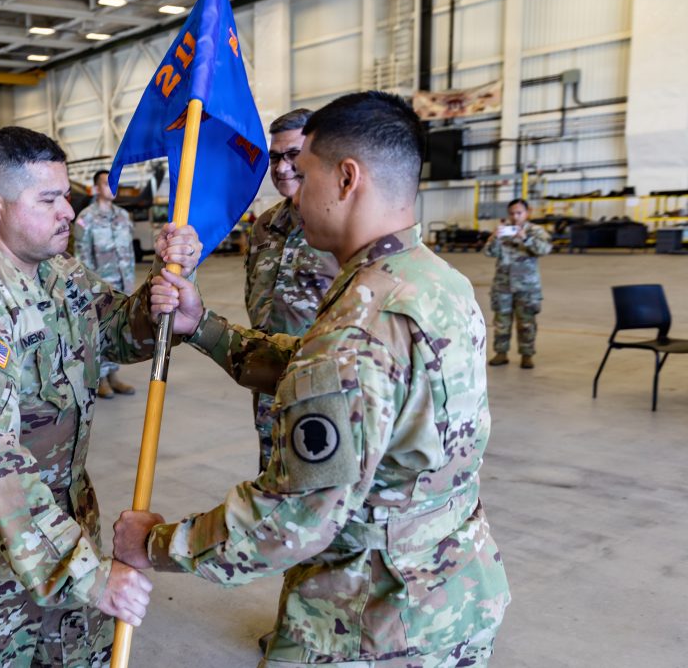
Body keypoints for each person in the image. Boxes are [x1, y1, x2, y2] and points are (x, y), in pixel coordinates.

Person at [114, 92, 510, 667]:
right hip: (451, 589)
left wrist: (153, 543)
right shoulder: (430, 282)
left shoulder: (362, 324)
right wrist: (204, 328)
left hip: (368, 620)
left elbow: (289, 522)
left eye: (305, 172)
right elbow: (318, 365)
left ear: (346, 178)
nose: (292, 187)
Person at [0, 126, 201, 666]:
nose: (69, 212)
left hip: (60, 530)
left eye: (66, 196)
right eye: (49, 199)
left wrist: (167, 288)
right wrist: (87, 572)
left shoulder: (58, 273)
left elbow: (113, 329)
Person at [245, 108, 340, 470]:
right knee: (270, 475)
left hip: (323, 383)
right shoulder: (265, 225)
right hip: (268, 379)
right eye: (274, 157)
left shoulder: (339, 224)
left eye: (293, 156)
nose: (282, 167)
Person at [72, 169, 137, 398]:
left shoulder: (123, 216)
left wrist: (130, 284)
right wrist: (88, 289)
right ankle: (98, 378)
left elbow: (129, 253)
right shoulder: (85, 219)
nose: (113, 188)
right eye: (107, 184)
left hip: (122, 285)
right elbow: (81, 257)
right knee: (97, 333)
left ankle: (113, 376)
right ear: (97, 188)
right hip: (99, 288)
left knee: (117, 331)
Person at [484, 198, 552, 369]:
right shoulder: (504, 231)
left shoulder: (536, 231)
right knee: (501, 322)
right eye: (512, 213)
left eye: (519, 213)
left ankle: (527, 355)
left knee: (527, 322)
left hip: (527, 286)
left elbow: (544, 250)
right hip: (503, 285)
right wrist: (494, 238)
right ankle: (501, 353)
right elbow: (489, 252)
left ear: (528, 212)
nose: (515, 217)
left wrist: (525, 238)